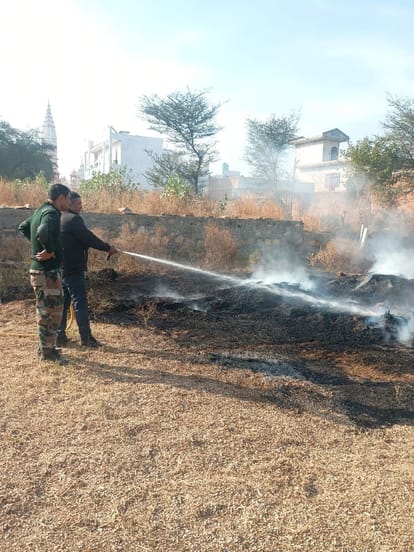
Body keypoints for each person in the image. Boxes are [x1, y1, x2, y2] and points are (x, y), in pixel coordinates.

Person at [18, 183, 71, 364]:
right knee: (52, 312)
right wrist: (49, 250)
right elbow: (42, 232)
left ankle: (45, 348)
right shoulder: (52, 213)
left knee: (45, 310)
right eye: (68, 199)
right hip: (47, 273)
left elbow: (24, 227)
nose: (69, 203)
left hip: (40, 271)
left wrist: (37, 246)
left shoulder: (40, 210)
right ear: (61, 198)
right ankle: (47, 353)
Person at [57, 191, 118, 348]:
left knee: (63, 303)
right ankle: (86, 338)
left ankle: (59, 336)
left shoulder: (60, 218)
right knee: (80, 302)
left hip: (62, 268)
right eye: (78, 204)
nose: (81, 207)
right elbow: (89, 238)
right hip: (73, 269)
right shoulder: (73, 219)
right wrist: (107, 248)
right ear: (69, 203)